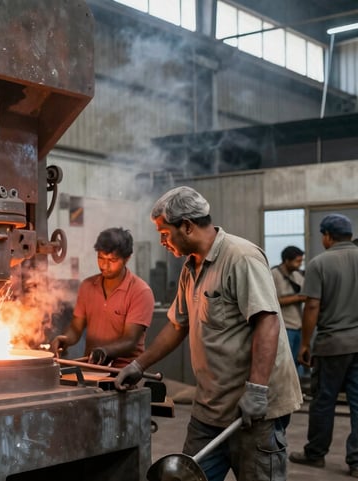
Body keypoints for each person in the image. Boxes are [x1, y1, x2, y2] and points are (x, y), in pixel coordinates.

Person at [115, 186, 301, 481]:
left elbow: (267, 321)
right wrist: (139, 366)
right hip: (209, 409)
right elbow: (178, 325)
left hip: (252, 413)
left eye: (164, 234)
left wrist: (257, 390)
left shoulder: (241, 258)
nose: (162, 242)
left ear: (186, 226)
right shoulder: (190, 268)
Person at [289, 214, 358, 477]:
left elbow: (313, 306)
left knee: (324, 401)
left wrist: (305, 343)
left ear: (327, 235)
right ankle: (356, 462)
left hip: (332, 344)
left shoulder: (320, 263)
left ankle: (315, 454)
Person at [50, 227, 155, 368]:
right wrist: (66, 339)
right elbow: (76, 328)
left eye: (112, 259)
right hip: (92, 368)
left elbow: (130, 341)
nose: (105, 265)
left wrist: (105, 351)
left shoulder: (140, 292)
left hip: (124, 372)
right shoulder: (87, 286)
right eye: (101, 258)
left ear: (127, 258)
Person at [271, 246, 306, 372]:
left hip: (298, 326)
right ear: (286, 260)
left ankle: (298, 390)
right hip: (284, 327)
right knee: (285, 365)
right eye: (297, 261)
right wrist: (298, 298)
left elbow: (306, 293)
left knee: (298, 362)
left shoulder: (297, 275)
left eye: (301, 261)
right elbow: (272, 301)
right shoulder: (274, 275)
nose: (300, 264)